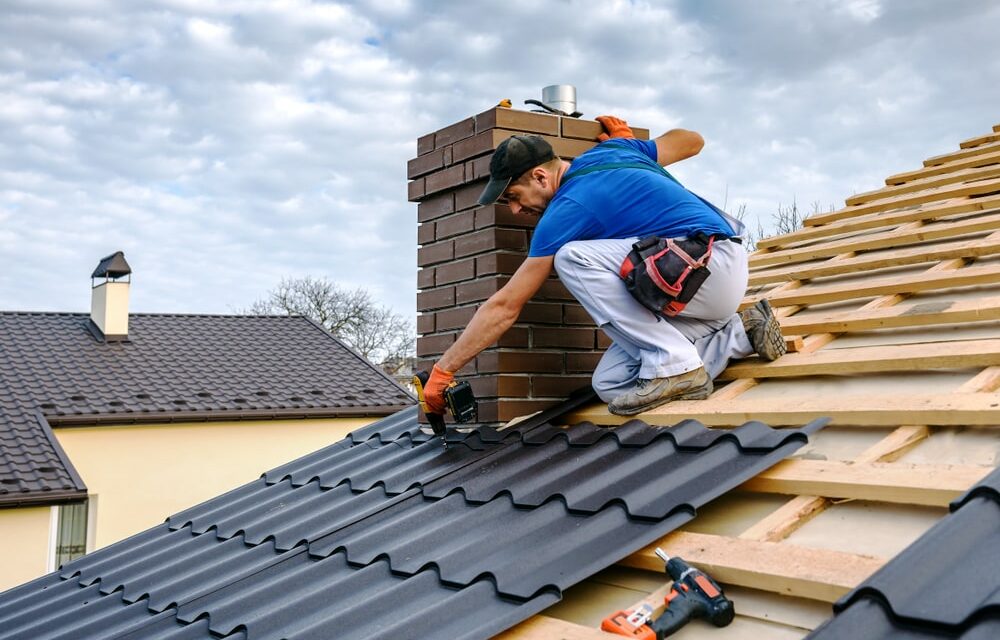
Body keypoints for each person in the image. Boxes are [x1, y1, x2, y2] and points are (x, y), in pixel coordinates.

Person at [422, 116, 785, 418]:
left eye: (513, 197)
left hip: (707, 265)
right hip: (699, 290)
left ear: (540, 177)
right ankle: (741, 334)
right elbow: (692, 140)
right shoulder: (616, 150)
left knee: (572, 257)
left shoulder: (567, 208)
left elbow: (505, 306)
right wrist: (636, 149)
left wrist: (445, 370)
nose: (516, 211)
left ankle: (676, 364)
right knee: (611, 384)